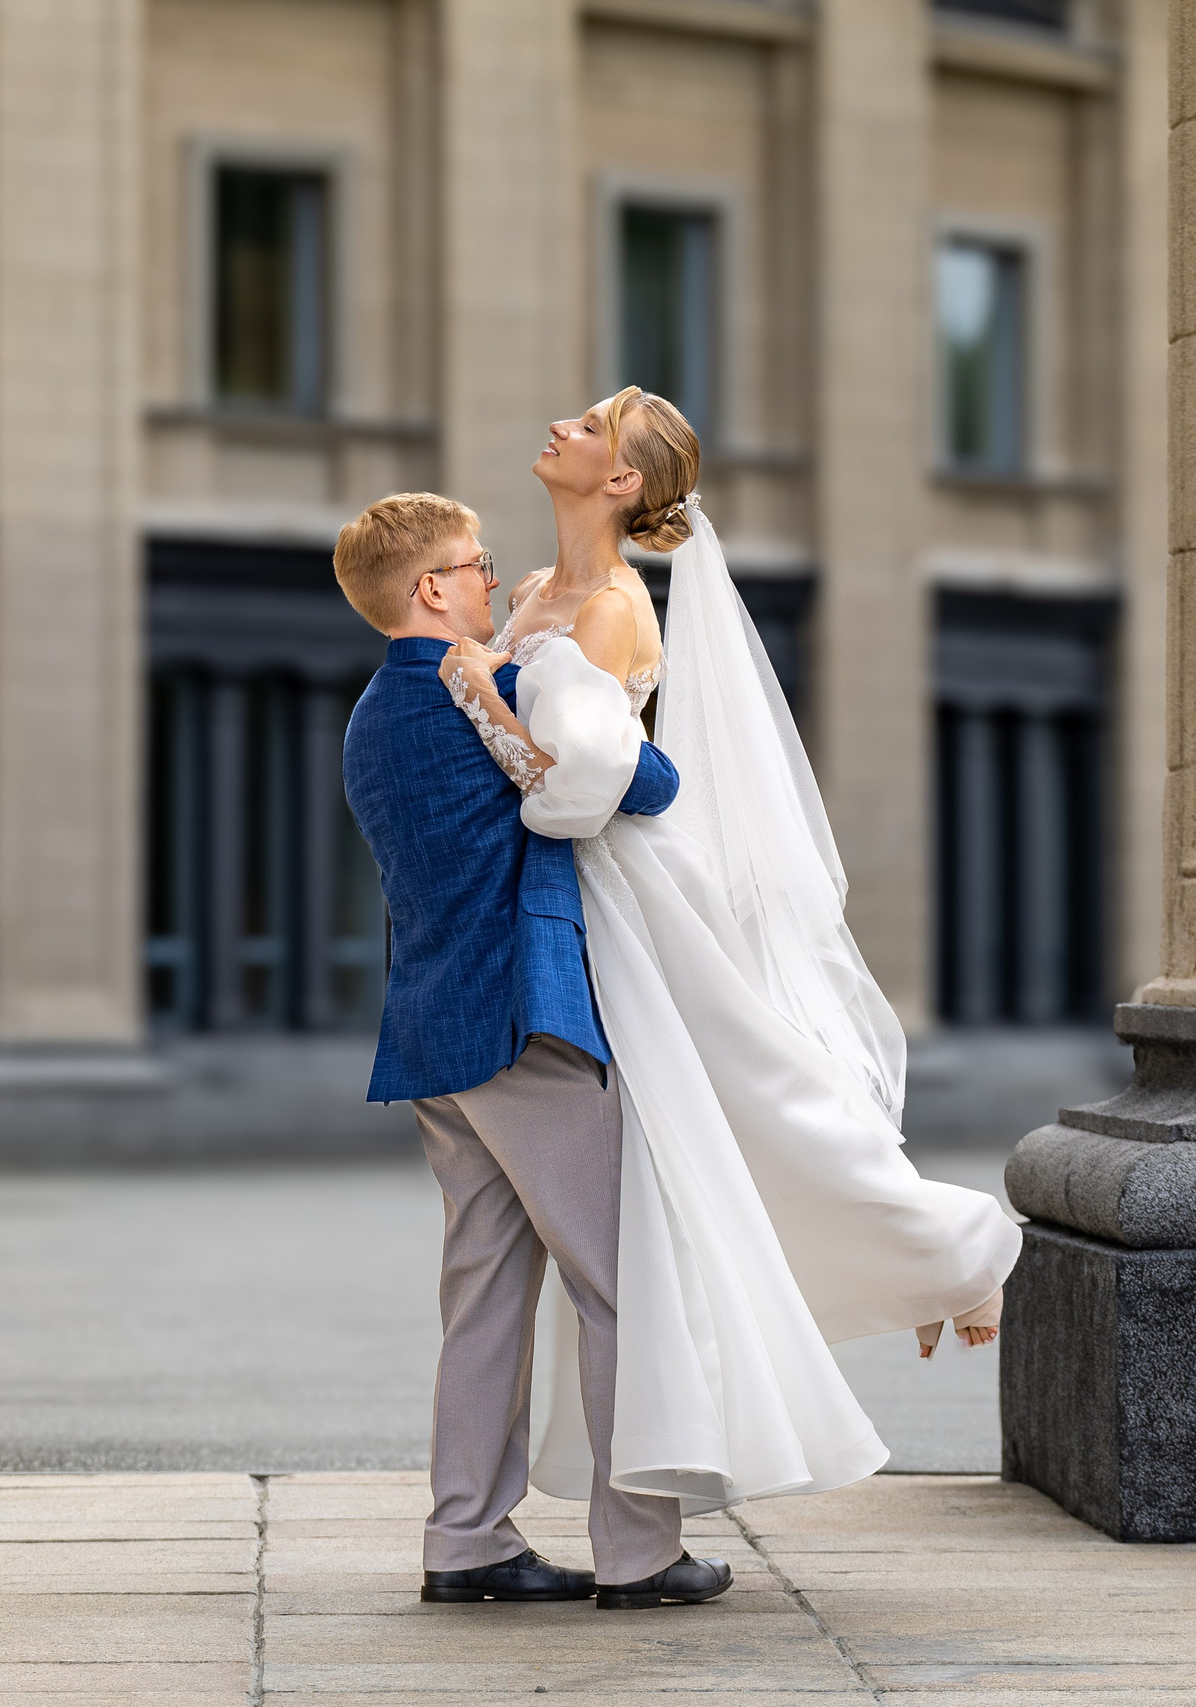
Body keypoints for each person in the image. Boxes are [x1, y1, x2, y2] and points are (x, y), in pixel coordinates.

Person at [436, 388, 1019, 1514]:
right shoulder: (534, 597)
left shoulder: (609, 610)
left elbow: (578, 793)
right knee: (696, 1147)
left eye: (590, 424)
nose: (560, 422)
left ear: (619, 483)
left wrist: (475, 686)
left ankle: (957, 1254)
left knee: (752, 1103)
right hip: (566, 900)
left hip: (625, 897)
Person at [335, 493, 736, 1611]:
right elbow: (645, 784)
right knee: (619, 1287)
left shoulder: (373, 713)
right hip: (528, 1020)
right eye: (473, 568)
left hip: (436, 1034)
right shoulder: (489, 686)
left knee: (483, 1296)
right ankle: (641, 1551)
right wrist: (547, 664)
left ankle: (464, 1539)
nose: (488, 584)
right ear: (430, 591)